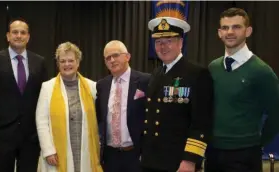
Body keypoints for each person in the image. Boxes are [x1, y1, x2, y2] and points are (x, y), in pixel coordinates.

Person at [205, 8, 279, 172]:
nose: (230, 32)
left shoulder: (262, 71)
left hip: (245, 154)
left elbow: (276, 114)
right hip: (213, 152)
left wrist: (256, 142)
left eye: (236, 27)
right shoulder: (213, 67)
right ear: (219, 33)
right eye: (225, 28)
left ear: (248, 31)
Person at [140, 14, 214, 172]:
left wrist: (190, 160)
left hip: (178, 162)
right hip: (151, 161)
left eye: (169, 41)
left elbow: (201, 123)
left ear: (180, 43)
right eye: (158, 42)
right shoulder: (156, 73)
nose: (163, 46)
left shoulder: (197, 74)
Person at [0, 18, 49, 171]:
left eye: (23, 32)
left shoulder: (39, 62)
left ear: (28, 37)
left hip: (31, 135)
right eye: (15, 32)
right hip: (3, 135)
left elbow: (44, 96)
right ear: (8, 36)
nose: (18, 36)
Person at [35, 42, 102, 172]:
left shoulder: (92, 87)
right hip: (56, 152)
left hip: (84, 148)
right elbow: (41, 121)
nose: (67, 64)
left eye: (71, 60)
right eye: (63, 61)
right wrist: (48, 150)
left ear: (78, 62)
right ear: (58, 64)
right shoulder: (47, 87)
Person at [96, 40, 150, 172]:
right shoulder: (102, 85)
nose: (112, 60)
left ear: (128, 56)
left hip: (135, 155)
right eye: (108, 58)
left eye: (116, 55)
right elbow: (99, 118)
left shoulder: (145, 81)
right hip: (110, 156)